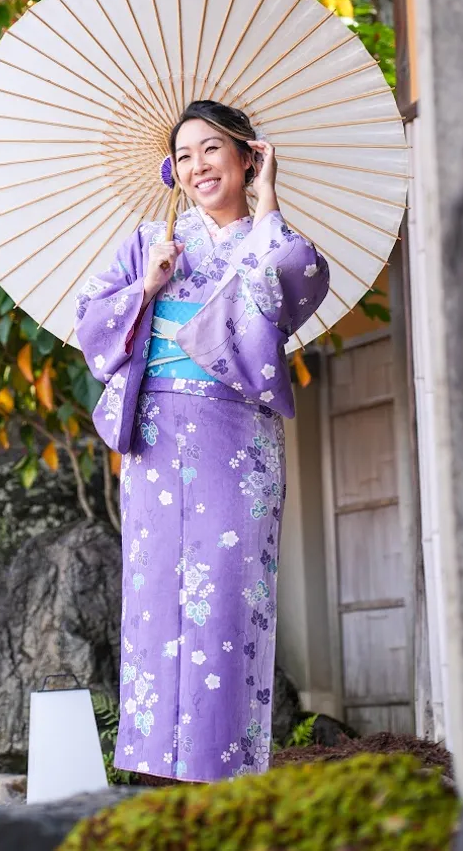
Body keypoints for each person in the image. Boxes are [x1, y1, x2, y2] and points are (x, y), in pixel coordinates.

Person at [74, 99, 329, 782]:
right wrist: (146, 289)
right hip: (157, 438)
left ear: (249, 155)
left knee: (226, 594)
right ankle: (160, 772)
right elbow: (90, 325)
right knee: (156, 594)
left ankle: (227, 769)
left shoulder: (271, 242)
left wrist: (268, 207)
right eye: (184, 155)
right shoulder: (147, 243)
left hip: (234, 439)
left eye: (212, 149)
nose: (197, 166)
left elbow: (299, 286)